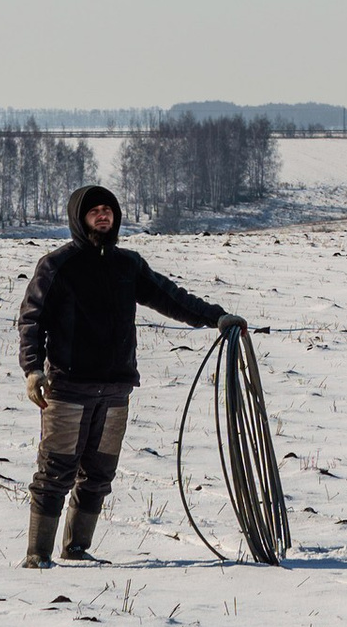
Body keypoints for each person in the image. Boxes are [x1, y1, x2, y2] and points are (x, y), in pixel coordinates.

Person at [17, 183, 241, 569]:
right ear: (79, 218)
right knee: (56, 472)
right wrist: (33, 369)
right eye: (94, 211)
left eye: (109, 210)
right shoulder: (57, 265)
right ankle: (37, 556)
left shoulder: (128, 265)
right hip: (68, 387)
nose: (103, 216)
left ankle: (76, 549)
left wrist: (216, 317)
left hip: (116, 389)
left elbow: (172, 298)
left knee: (99, 474)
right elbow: (31, 320)